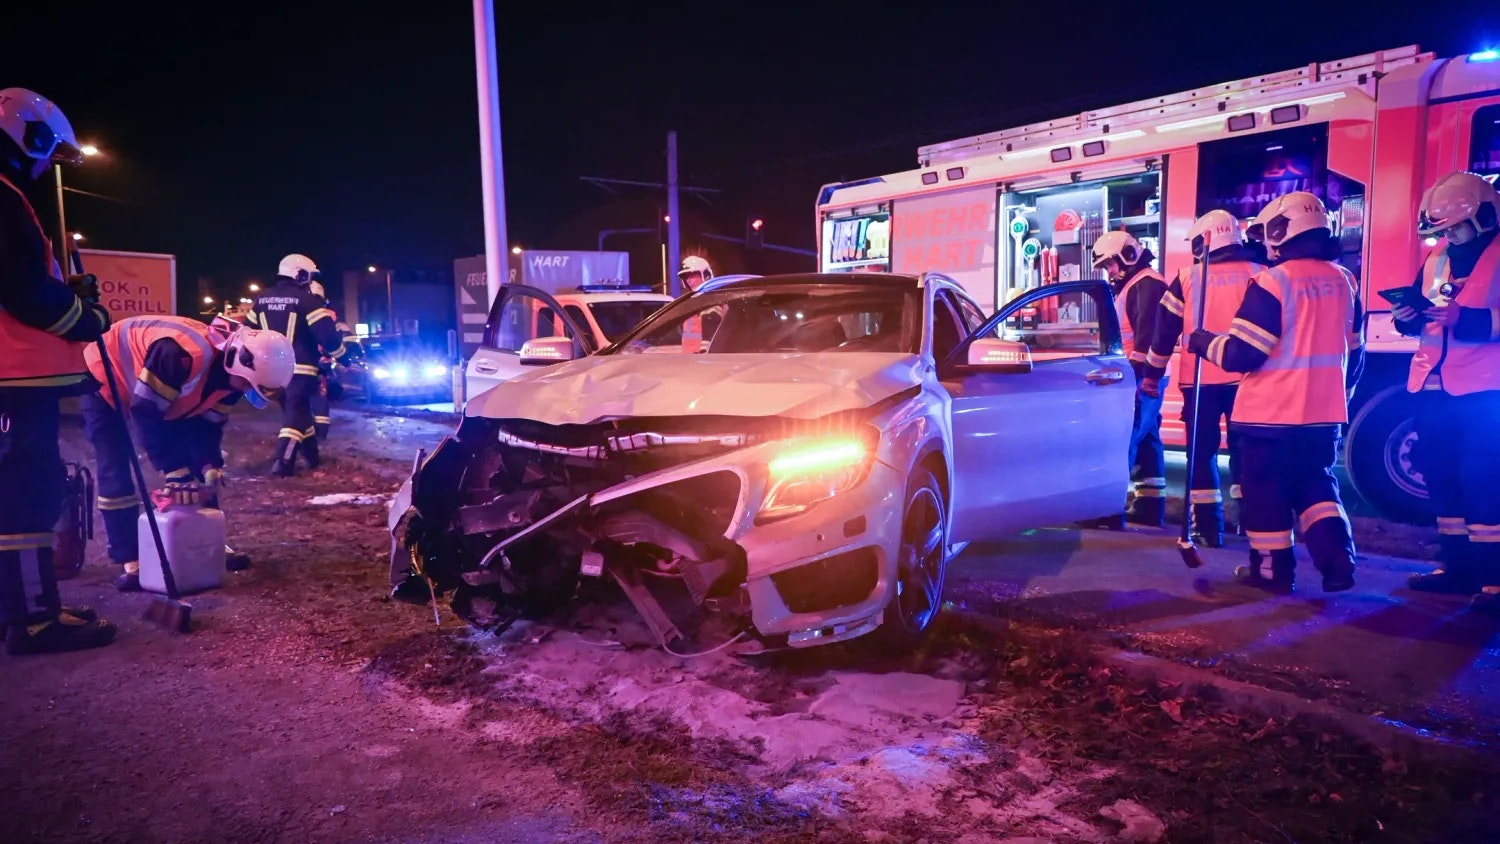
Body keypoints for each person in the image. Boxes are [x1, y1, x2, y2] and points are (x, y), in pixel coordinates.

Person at [1188, 191, 1364, 593]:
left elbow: (1242, 353)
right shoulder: (1344, 280)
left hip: (1269, 418)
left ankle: (1271, 574)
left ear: (1282, 230)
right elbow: (1356, 354)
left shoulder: (1274, 281)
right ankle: (1339, 562)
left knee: (1265, 496)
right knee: (1317, 489)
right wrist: (1342, 398)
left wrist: (1204, 342)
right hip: (1323, 417)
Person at [0, 87, 117, 654]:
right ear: (32, 136)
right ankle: (35, 621)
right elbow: (20, 292)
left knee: (22, 490)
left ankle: (26, 608)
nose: (48, 166)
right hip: (13, 379)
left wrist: (60, 291)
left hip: (14, 379)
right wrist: (85, 316)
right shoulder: (2, 199)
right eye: (49, 152)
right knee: (27, 495)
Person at [82, 315, 295, 590]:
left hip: (148, 393)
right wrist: (173, 469)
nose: (245, 392)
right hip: (105, 378)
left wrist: (208, 465)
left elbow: (205, 429)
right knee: (116, 464)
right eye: (247, 385)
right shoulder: (179, 355)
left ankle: (207, 543)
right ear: (237, 364)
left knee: (197, 474)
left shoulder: (234, 380)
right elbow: (146, 413)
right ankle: (130, 556)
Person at [1388, 171, 1500, 613]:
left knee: (1485, 485)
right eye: (1442, 230)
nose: (1448, 237)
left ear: (1486, 218)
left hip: (1484, 392)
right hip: (1432, 388)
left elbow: (1470, 318)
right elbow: (1422, 313)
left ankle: (1494, 580)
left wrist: (1467, 322)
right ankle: (1457, 570)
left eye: (1455, 228)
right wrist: (1406, 316)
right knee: (1444, 482)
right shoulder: (1438, 259)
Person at [1142, 210, 1264, 546]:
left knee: (1202, 453)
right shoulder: (1261, 274)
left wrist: (1152, 376)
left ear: (1201, 242)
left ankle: (1208, 529)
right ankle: (1252, 523)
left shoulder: (1187, 278)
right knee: (1246, 451)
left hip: (1201, 382)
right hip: (1249, 380)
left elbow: (1163, 333)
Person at [1091, 230, 1169, 526]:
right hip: (1147, 377)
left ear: (1127, 255)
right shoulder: (1139, 284)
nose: (1109, 272)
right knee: (1148, 439)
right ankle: (1150, 507)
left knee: (1123, 440)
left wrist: (1139, 381)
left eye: (1110, 264)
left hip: (1142, 377)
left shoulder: (1145, 284)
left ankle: (1108, 512)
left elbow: (1146, 339)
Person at [246, 254, 346, 476]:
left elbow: (246, 331)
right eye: (308, 276)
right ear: (299, 274)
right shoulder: (307, 300)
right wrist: (343, 355)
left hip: (269, 372)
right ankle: (283, 462)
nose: (309, 281)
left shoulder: (262, 299)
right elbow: (326, 335)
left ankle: (312, 457)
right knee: (296, 415)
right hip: (300, 369)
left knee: (298, 413)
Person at [307, 279, 334, 439]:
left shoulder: (296, 311)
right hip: (313, 367)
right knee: (318, 398)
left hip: (299, 368)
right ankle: (319, 437)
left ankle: (316, 437)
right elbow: (329, 339)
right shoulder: (321, 315)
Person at [678, 255, 719, 353]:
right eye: (686, 277)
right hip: (690, 359)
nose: (688, 281)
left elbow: (711, 326)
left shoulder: (710, 301)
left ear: (705, 275)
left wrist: (703, 352)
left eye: (692, 276)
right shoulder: (694, 303)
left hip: (701, 360)